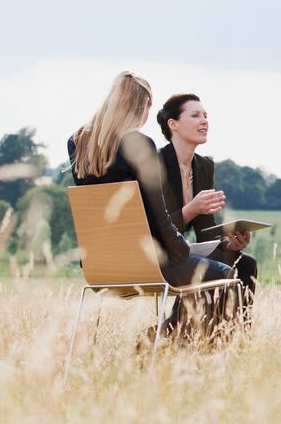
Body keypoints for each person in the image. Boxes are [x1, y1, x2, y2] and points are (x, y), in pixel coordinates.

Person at [67, 71, 234, 334]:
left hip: (100, 267)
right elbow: (158, 218)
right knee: (222, 274)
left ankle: (165, 339)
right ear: (140, 106)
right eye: (148, 107)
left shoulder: (77, 143)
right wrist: (183, 247)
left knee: (207, 267)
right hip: (144, 265)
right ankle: (174, 344)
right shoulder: (139, 144)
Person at [155, 92, 259, 314]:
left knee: (246, 263)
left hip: (183, 253)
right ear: (173, 124)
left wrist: (229, 244)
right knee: (210, 269)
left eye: (205, 115)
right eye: (195, 115)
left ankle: (237, 337)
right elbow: (153, 228)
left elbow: (205, 232)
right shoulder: (154, 164)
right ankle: (171, 333)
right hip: (157, 254)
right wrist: (191, 209)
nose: (204, 121)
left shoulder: (204, 167)